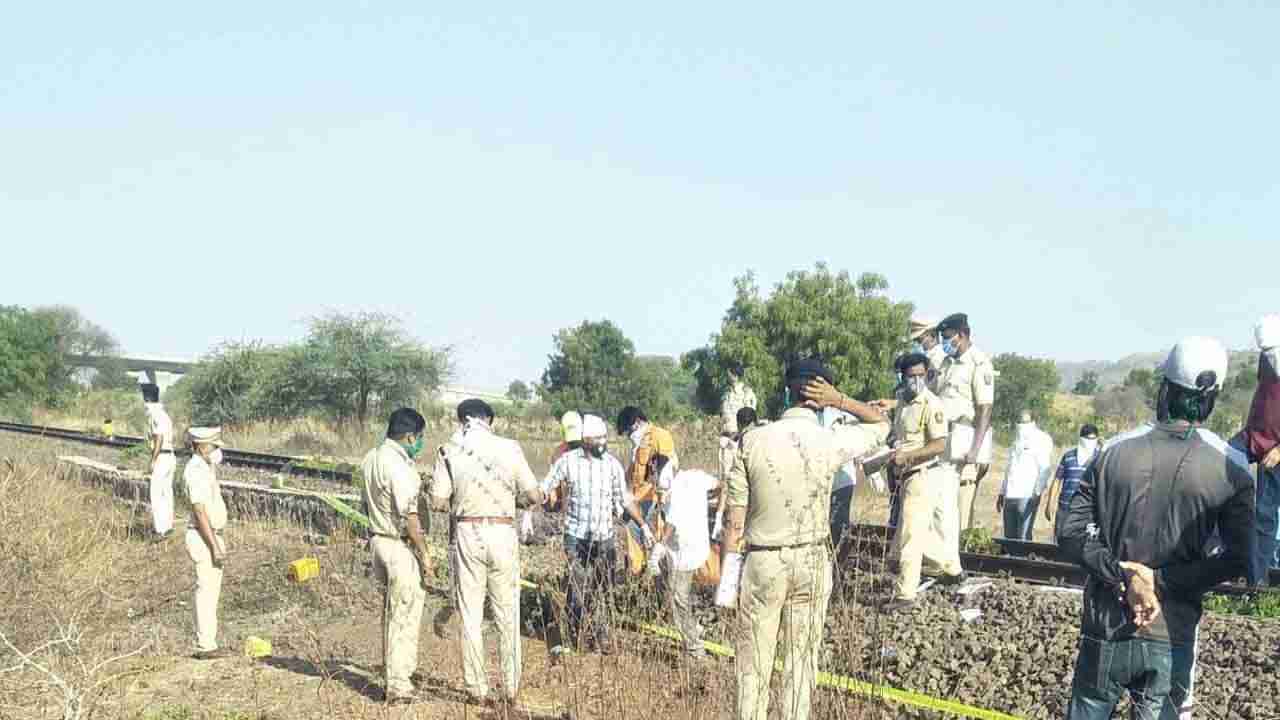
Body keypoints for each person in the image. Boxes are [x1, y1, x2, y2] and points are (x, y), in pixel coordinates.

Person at [1059, 337, 1253, 719]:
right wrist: (1158, 581)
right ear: (1211, 398)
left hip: (1106, 627)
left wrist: (1124, 574)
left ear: (1164, 388)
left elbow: (1070, 531)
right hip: (1172, 631)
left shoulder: (1112, 450)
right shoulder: (1232, 468)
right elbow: (1238, 558)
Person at [719, 359, 889, 720]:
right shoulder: (830, 440)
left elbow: (734, 522)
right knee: (801, 662)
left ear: (786, 392)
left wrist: (727, 581)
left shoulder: (751, 441)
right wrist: (840, 400)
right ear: (820, 398)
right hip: (813, 559)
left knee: (753, 666)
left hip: (763, 560)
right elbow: (881, 424)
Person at [430, 399, 542, 706]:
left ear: (461, 420)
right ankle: (511, 687)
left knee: (470, 613)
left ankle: (476, 688)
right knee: (508, 612)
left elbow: (439, 502)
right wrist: (512, 499)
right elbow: (533, 494)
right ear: (488, 420)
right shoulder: (510, 447)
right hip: (503, 532)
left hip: (467, 532)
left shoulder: (447, 450)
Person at [541, 414, 655, 654]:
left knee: (603, 588)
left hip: (604, 539)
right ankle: (576, 636)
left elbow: (623, 498)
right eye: (598, 439)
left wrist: (643, 525)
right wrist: (533, 508)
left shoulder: (612, 464)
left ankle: (602, 636)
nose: (603, 443)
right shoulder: (568, 461)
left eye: (605, 438)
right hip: (576, 537)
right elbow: (546, 487)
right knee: (578, 589)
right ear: (586, 440)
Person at [360, 408, 433, 705]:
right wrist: (425, 556)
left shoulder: (371, 458)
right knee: (404, 614)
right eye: (420, 438)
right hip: (398, 545)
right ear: (410, 436)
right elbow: (410, 518)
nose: (420, 443)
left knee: (392, 613)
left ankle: (396, 674)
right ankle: (399, 684)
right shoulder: (398, 466)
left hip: (378, 540)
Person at [883, 353, 963, 611]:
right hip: (904, 475)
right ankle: (948, 566)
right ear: (902, 377)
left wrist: (909, 455)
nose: (916, 380)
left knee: (909, 535)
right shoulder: (903, 402)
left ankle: (905, 594)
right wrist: (894, 447)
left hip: (922, 474)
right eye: (911, 376)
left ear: (927, 375)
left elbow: (939, 445)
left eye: (921, 375)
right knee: (912, 533)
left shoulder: (932, 404)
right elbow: (898, 434)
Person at [935, 313, 995, 531]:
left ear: (961, 335)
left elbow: (985, 409)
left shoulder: (979, 363)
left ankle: (959, 560)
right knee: (940, 510)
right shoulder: (945, 363)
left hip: (963, 442)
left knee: (959, 512)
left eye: (947, 337)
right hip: (941, 441)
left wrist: (975, 451)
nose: (944, 342)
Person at [653, 461, 719, 659]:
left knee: (677, 598)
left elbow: (671, 522)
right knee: (687, 591)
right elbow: (721, 484)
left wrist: (660, 546)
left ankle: (695, 649)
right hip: (699, 546)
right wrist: (712, 503)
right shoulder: (695, 476)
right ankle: (698, 625)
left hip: (683, 551)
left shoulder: (675, 492)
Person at [1238, 314, 1280, 586]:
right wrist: (1251, 433)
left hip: (1276, 451)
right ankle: (1256, 585)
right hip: (1265, 447)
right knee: (1263, 519)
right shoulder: (1267, 360)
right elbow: (1264, 398)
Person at [184, 426, 231, 660]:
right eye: (214, 445)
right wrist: (214, 546)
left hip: (211, 535)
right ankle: (205, 645)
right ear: (201, 446)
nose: (217, 450)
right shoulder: (195, 470)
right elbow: (200, 511)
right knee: (206, 590)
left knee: (212, 590)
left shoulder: (205, 467)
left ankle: (209, 641)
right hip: (204, 536)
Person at [617, 406, 678, 547]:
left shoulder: (659, 436)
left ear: (637, 422)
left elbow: (659, 475)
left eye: (629, 431)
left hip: (654, 499)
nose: (629, 436)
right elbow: (632, 474)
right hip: (639, 497)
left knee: (640, 532)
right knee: (632, 537)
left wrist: (633, 501)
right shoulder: (638, 445)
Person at [997, 412, 1054, 540]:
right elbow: (1010, 469)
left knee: (1023, 538)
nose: (1021, 425)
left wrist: (1037, 492)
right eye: (1020, 421)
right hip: (1010, 495)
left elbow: (1045, 469)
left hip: (1027, 496)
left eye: (1025, 421)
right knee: (1009, 538)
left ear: (1033, 420)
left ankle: (1023, 560)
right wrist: (1002, 493)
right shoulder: (1015, 441)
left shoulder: (1041, 439)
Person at [1043, 424, 1101, 542]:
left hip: (1087, 512)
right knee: (1060, 542)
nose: (1090, 442)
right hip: (1065, 508)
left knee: (1083, 544)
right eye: (1087, 439)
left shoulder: (1099, 458)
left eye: (1093, 439)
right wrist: (1050, 503)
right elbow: (1057, 480)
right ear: (1081, 438)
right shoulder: (1068, 456)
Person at [142, 383, 176, 540]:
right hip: (170, 456)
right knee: (167, 493)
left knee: (156, 494)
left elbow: (159, 437)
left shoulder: (154, 414)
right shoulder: (164, 414)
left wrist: (153, 460)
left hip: (161, 457)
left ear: (147, 398)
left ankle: (159, 531)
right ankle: (168, 527)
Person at [909, 315, 946, 389]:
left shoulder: (936, 359)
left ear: (932, 336)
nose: (917, 344)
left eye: (919, 340)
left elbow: (929, 388)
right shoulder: (930, 357)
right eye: (915, 341)